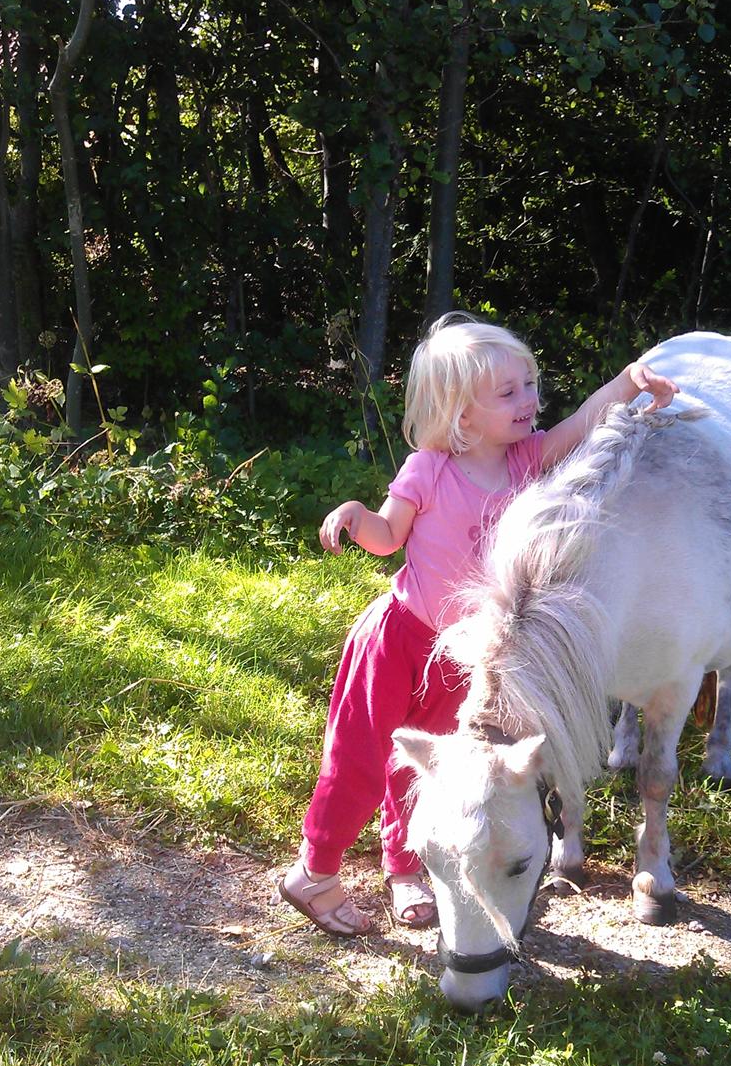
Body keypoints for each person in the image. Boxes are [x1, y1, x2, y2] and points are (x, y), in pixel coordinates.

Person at [279, 312, 680, 935]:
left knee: (439, 766)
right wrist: (358, 515)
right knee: (359, 755)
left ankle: (406, 864)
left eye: (531, 383)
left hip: (466, 655)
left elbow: (581, 423)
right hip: (399, 637)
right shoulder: (427, 469)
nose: (530, 400)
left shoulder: (528, 461)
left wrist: (628, 381)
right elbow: (388, 539)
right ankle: (316, 871)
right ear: (461, 414)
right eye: (509, 392)